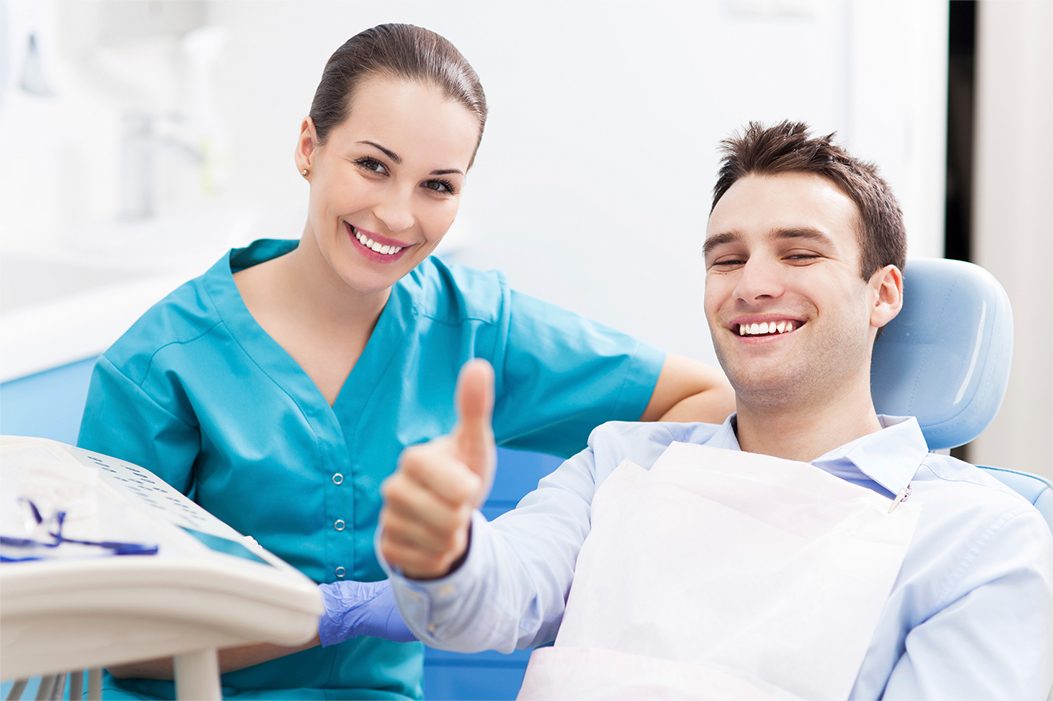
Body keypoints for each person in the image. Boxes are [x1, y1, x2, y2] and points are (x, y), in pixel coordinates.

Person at [76, 23, 734, 701]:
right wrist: (330, 615)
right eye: (373, 165)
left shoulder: (473, 326)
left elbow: (706, 402)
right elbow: (106, 634)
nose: (396, 214)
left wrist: (537, 541)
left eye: (437, 186)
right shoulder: (162, 365)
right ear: (309, 147)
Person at [377, 121, 1053, 699]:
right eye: (726, 260)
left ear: (881, 295)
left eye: (798, 252)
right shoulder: (619, 461)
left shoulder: (976, 541)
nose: (753, 285)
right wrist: (445, 551)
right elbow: (490, 601)